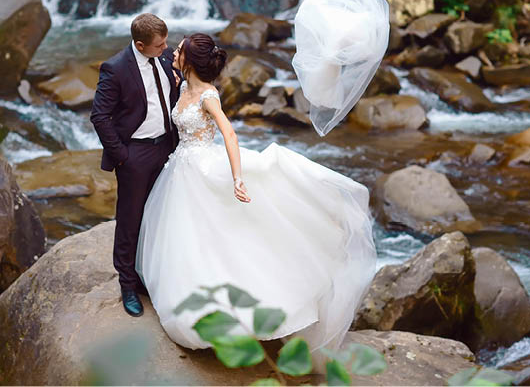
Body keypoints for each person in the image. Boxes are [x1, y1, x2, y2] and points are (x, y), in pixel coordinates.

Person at [135, 33, 377, 352]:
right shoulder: (181, 85)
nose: (173, 54)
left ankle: (235, 310)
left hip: (205, 166)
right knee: (186, 236)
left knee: (221, 235)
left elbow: (230, 135)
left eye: (178, 51)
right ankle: (184, 293)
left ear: (190, 62)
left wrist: (237, 179)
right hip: (180, 169)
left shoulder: (209, 95)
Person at [90, 13, 181, 317]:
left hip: (167, 146)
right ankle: (128, 283)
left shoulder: (166, 57)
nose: (167, 48)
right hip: (136, 154)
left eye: (166, 42)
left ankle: (147, 275)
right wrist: (122, 155)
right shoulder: (115, 69)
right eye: (160, 45)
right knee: (130, 219)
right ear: (140, 45)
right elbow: (99, 116)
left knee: (158, 214)